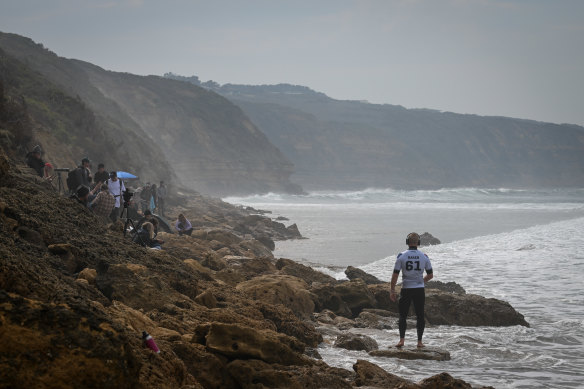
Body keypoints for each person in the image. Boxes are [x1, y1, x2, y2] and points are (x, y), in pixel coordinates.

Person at [390, 232, 433, 348]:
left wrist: (392, 290)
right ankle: (419, 342)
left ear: (407, 242)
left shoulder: (401, 256)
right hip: (419, 290)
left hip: (406, 289)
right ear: (418, 243)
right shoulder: (424, 256)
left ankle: (401, 341)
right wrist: (420, 281)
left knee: (403, 315)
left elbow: (395, 275)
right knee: (420, 315)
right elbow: (430, 275)